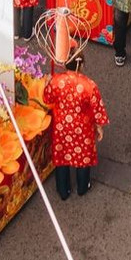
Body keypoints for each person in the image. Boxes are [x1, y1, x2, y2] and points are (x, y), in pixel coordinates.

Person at [42, 55, 108, 201]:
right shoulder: (89, 85)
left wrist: (47, 84)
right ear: (81, 65)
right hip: (83, 128)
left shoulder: (56, 81)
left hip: (61, 127)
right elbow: (97, 108)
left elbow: (47, 99)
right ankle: (83, 187)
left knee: (61, 155)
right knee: (83, 156)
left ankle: (63, 190)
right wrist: (99, 126)